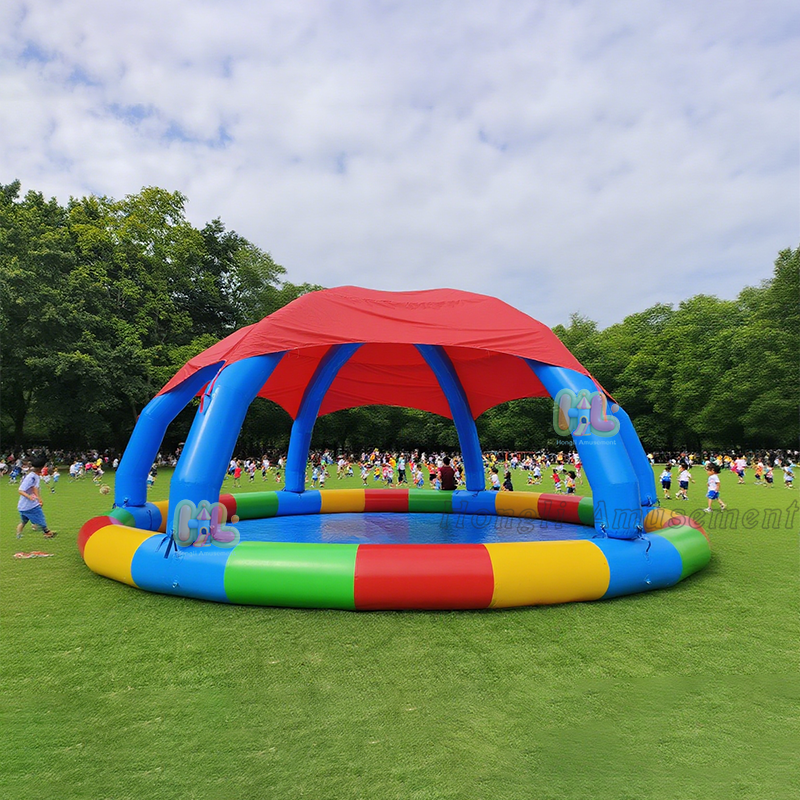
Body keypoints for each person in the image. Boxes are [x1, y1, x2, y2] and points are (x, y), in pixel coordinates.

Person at [16, 457, 57, 539]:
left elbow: (35, 488)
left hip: (23, 506)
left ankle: (18, 535)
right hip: (29, 506)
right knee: (40, 517)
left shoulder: (35, 475)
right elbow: (20, 490)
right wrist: (30, 497)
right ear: (41, 467)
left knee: (23, 522)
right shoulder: (31, 477)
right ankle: (47, 532)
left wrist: (39, 499)